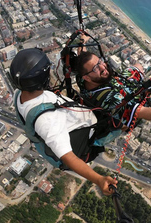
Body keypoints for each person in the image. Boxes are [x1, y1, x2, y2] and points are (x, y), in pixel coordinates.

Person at [9, 48, 117, 195]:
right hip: (88, 137)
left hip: (75, 119)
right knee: (122, 123)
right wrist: (99, 179)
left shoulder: (19, 92)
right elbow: (69, 158)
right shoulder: (46, 121)